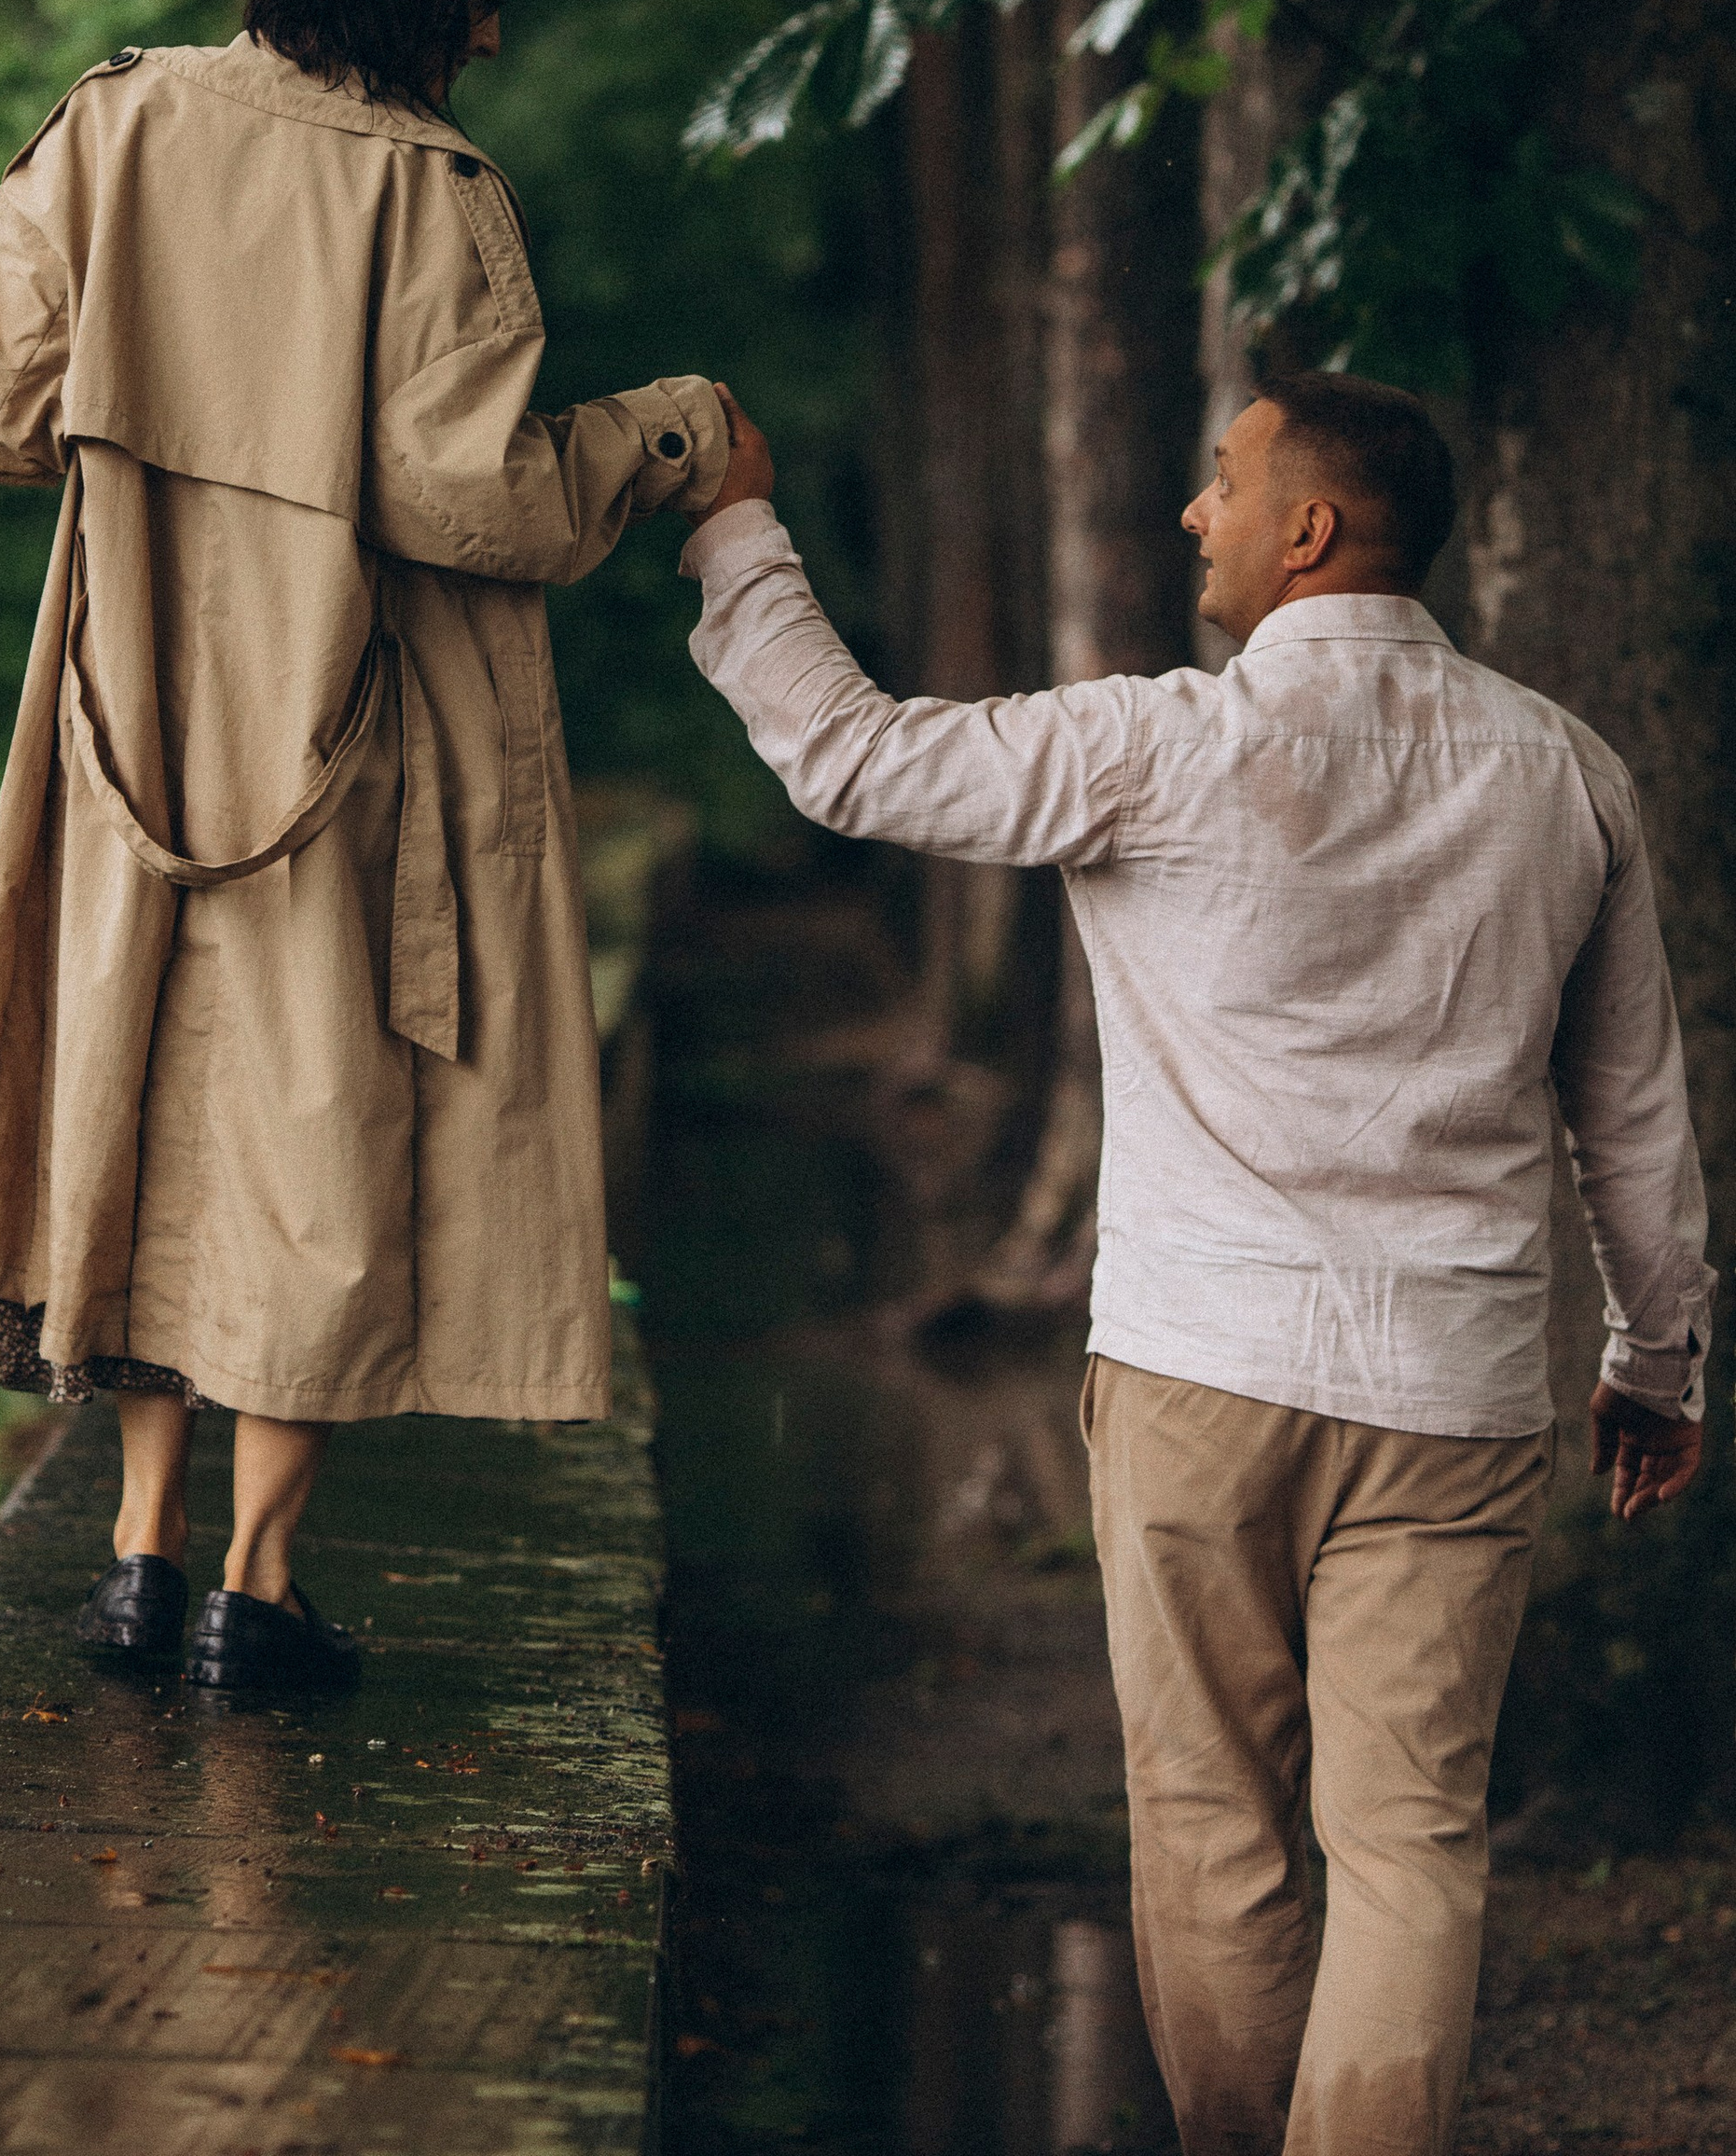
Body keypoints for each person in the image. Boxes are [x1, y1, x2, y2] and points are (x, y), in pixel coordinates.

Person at [681, 371, 1713, 2156]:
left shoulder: (1160, 746)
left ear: (1307, 531)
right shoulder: (1566, 769)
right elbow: (1632, 1111)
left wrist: (734, 528)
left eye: (1220, 479)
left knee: (1215, 1828)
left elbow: (846, 754)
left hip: (1198, 1375)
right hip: (1457, 1398)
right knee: (1409, 1852)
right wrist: (1655, 1361)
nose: (1191, 510)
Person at [0, 0, 727, 1699]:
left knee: (151, 1106)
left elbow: (6, 414)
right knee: (316, 1141)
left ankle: (135, 1559)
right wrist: (659, 435)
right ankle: (258, 1593)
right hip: (353, 735)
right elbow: (475, 501)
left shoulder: (113, 125)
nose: (496, 40)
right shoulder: (430, 191)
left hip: (125, 724)